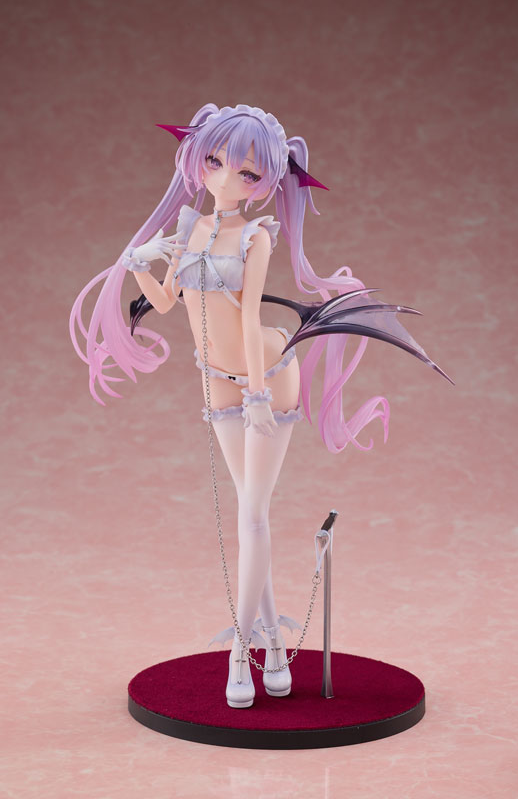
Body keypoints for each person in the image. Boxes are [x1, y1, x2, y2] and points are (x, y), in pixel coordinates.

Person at [70, 103, 452, 709]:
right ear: (197, 161)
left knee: (251, 516)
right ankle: (275, 646)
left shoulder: (257, 236)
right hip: (213, 379)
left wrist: (255, 394)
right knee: (252, 520)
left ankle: (238, 653)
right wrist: (140, 263)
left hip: (266, 376)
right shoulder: (191, 228)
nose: (226, 178)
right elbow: (167, 302)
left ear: (268, 183)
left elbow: (249, 321)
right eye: (215, 162)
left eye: (246, 173)